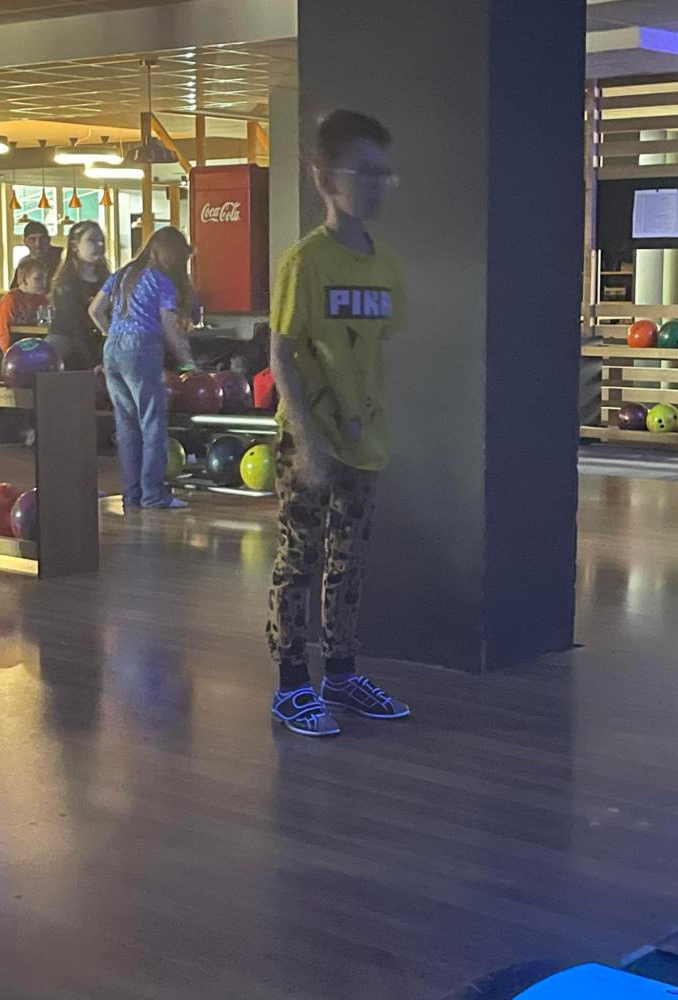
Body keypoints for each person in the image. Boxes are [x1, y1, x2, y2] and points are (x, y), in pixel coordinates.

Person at [267, 109, 410, 737]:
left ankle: (342, 675)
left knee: (348, 562)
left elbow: (373, 354)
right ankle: (291, 683)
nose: (377, 185)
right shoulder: (305, 262)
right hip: (309, 443)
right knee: (300, 559)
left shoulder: (387, 266)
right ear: (325, 178)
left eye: (385, 174)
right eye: (364, 173)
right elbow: (280, 354)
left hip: (363, 443)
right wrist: (307, 441)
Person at [88, 226, 197, 511]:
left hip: (112, 349)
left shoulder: (122, 274)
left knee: (126, 426)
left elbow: (95, 310)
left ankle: (132, 494)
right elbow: (169, 325)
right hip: (142, 348)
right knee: (152, 423)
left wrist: (110, 332)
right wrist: (187, 359)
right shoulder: (162, 279)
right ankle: (153, 494)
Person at [46, 221, 109, 370]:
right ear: (75, 246)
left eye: (101, 240)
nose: (100, 244)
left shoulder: (108, 280)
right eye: (92, 240)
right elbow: (75, 326)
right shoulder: (65, 284)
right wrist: (94, 362)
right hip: (68, 347)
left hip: (99, 344)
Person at [0, 258, 47, 379]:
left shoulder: (41, 300)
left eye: (44, 278)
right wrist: (8, 356)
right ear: (24, 279)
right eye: (38, 278)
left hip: (21, 343)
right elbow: (3, 332)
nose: (43, 283)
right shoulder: (11, 299)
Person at [10, 222, 62, 289]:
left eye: (42, 239)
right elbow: (15, 290)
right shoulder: (25, 263)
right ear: (25, 242)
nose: (38, 244)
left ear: (49, 240)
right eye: (32, 239)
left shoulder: (63, 257)